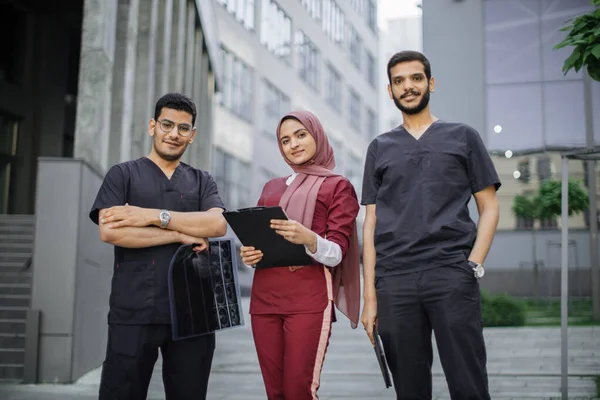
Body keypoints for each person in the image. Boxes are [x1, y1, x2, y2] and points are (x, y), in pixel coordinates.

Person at [360, 51, 500, 400]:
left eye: (416, 78)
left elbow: (489, 206)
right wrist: (369, 296)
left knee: (468, 383)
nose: (408, 86)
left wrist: (474, 265)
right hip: (395, 282)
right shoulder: (380, 147)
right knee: (410, 389)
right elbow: (370, 222)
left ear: (430, 83)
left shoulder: (463, 137)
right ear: (390, 91)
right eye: (399, 81)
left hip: (451, 273)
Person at [89, 93, 227, 400]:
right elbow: (111, 232)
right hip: (135, 308)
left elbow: (216, 225)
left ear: (192, 135)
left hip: (194, 312)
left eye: (183, 128)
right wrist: (179, 234)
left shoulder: (202, 181)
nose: (174, 134)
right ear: (153, 126)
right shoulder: (123, 174)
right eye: (167, 124)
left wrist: (151, 216)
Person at [240, 110, 361, 400]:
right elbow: (260, 240)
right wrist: (250, 253)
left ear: (317, 135)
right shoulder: (271, 188)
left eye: (300, 135)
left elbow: (337, 253)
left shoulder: (338, 186)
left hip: (309, 298)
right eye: (285, 140)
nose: (293, 144)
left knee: (299, 390)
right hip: (265, 298)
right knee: (275, 392)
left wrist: (308, 238)